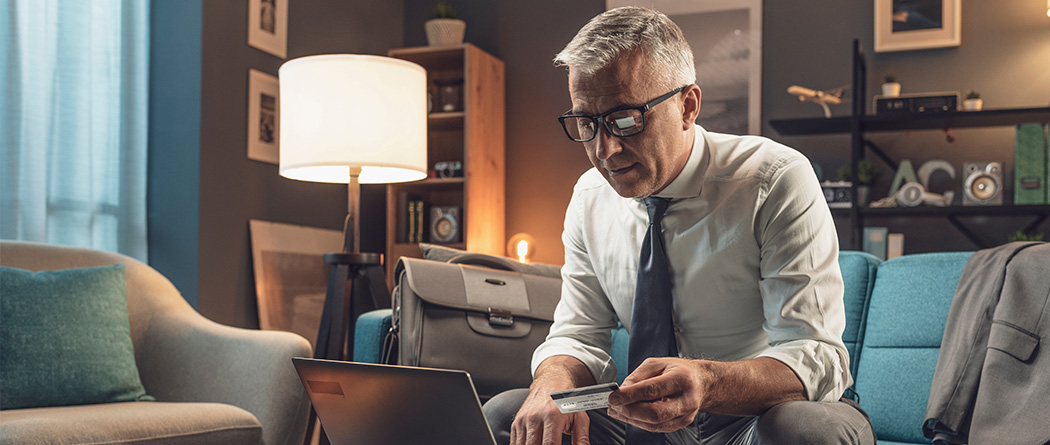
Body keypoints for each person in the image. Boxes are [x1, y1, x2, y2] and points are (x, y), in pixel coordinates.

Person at [483, 6, 876, 445]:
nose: (605, 150)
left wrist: (706, 382)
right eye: (586, 123)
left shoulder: (774, 179)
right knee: (507, 415)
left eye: (625, 119)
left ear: (687, 106)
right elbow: (579, 335)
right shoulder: (590, 197)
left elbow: (817, 353)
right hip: (644, 419)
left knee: (805, 432)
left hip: (759, 415)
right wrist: (548, 388)